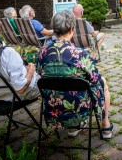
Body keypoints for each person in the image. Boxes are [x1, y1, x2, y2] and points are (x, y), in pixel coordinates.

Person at [37, 10, 114, 138]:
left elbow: (40, 73)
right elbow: (95, 78)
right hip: (79, 107)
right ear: (72, 29)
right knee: (102, 82)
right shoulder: (80, 54)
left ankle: (73, 128)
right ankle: (105, 125)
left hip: (54, 107)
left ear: (54, 30)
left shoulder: (42, 52)